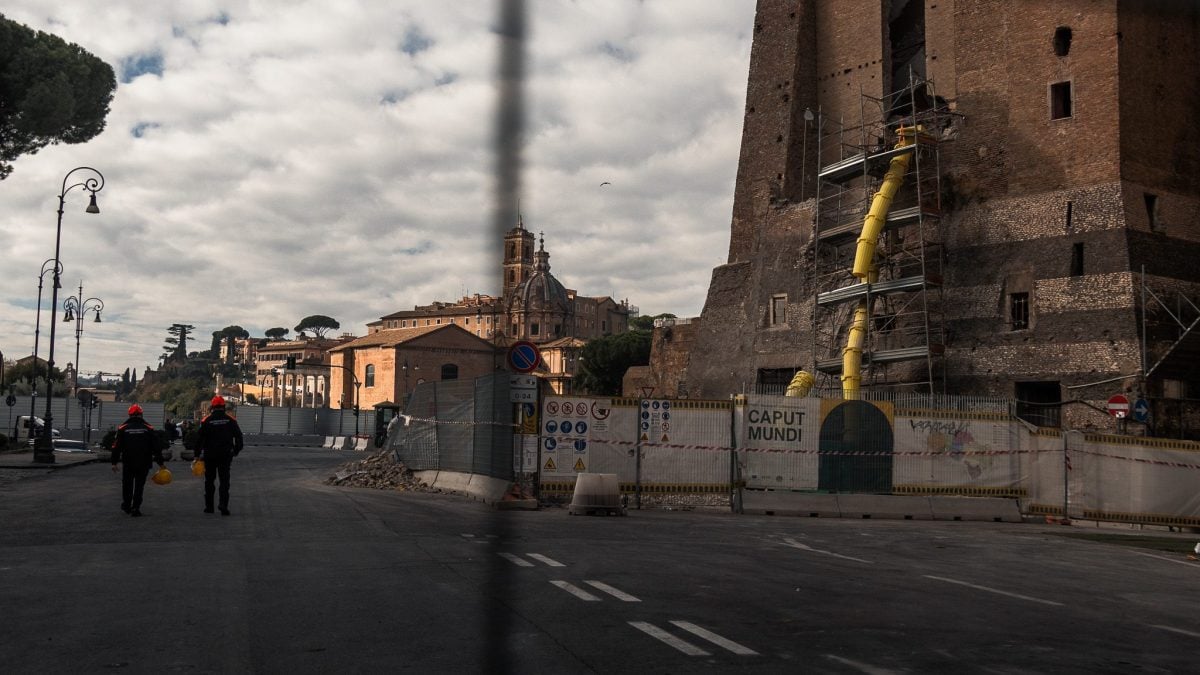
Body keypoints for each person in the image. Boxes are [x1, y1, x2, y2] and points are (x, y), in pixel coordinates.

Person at [111, 403, 166, 517]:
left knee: (127, 484)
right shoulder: (148, 428)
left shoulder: (123, 428)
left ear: (129, 414)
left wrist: (114, 462)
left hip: (128, 462)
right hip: (144, 462)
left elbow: (116, 446)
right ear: (141, 414)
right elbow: (156, 447)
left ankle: (127, 505)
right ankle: (136, 507)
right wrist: (161, 463)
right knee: (139, 485)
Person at [197, 395, 244, 516]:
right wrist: (236, 451)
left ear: (212, 407)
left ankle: (209, 507)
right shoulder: (231, 420)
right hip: (225, 455)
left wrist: (197, 455)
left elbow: (199, 439)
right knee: (224, 481)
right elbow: (239, 437)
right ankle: (223, 505)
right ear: (223, 406)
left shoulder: (206, 420)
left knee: (209, 481)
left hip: (210, 455)